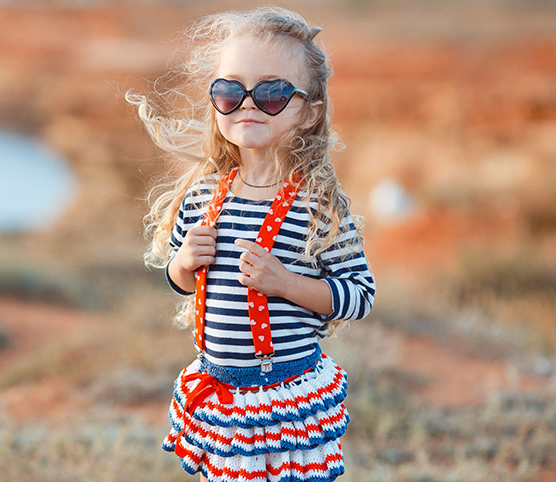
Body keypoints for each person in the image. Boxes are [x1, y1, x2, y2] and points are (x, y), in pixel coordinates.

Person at [126, 6, 376, 482]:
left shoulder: (319, 207)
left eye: (273, 92)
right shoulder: (202, 195)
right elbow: (179, 281)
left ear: (308, 112)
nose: (248, 104)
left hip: (285, 397)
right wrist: (182, 264)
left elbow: (360, 297)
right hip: (221, 394)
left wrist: (286, 284)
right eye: (229, 90)